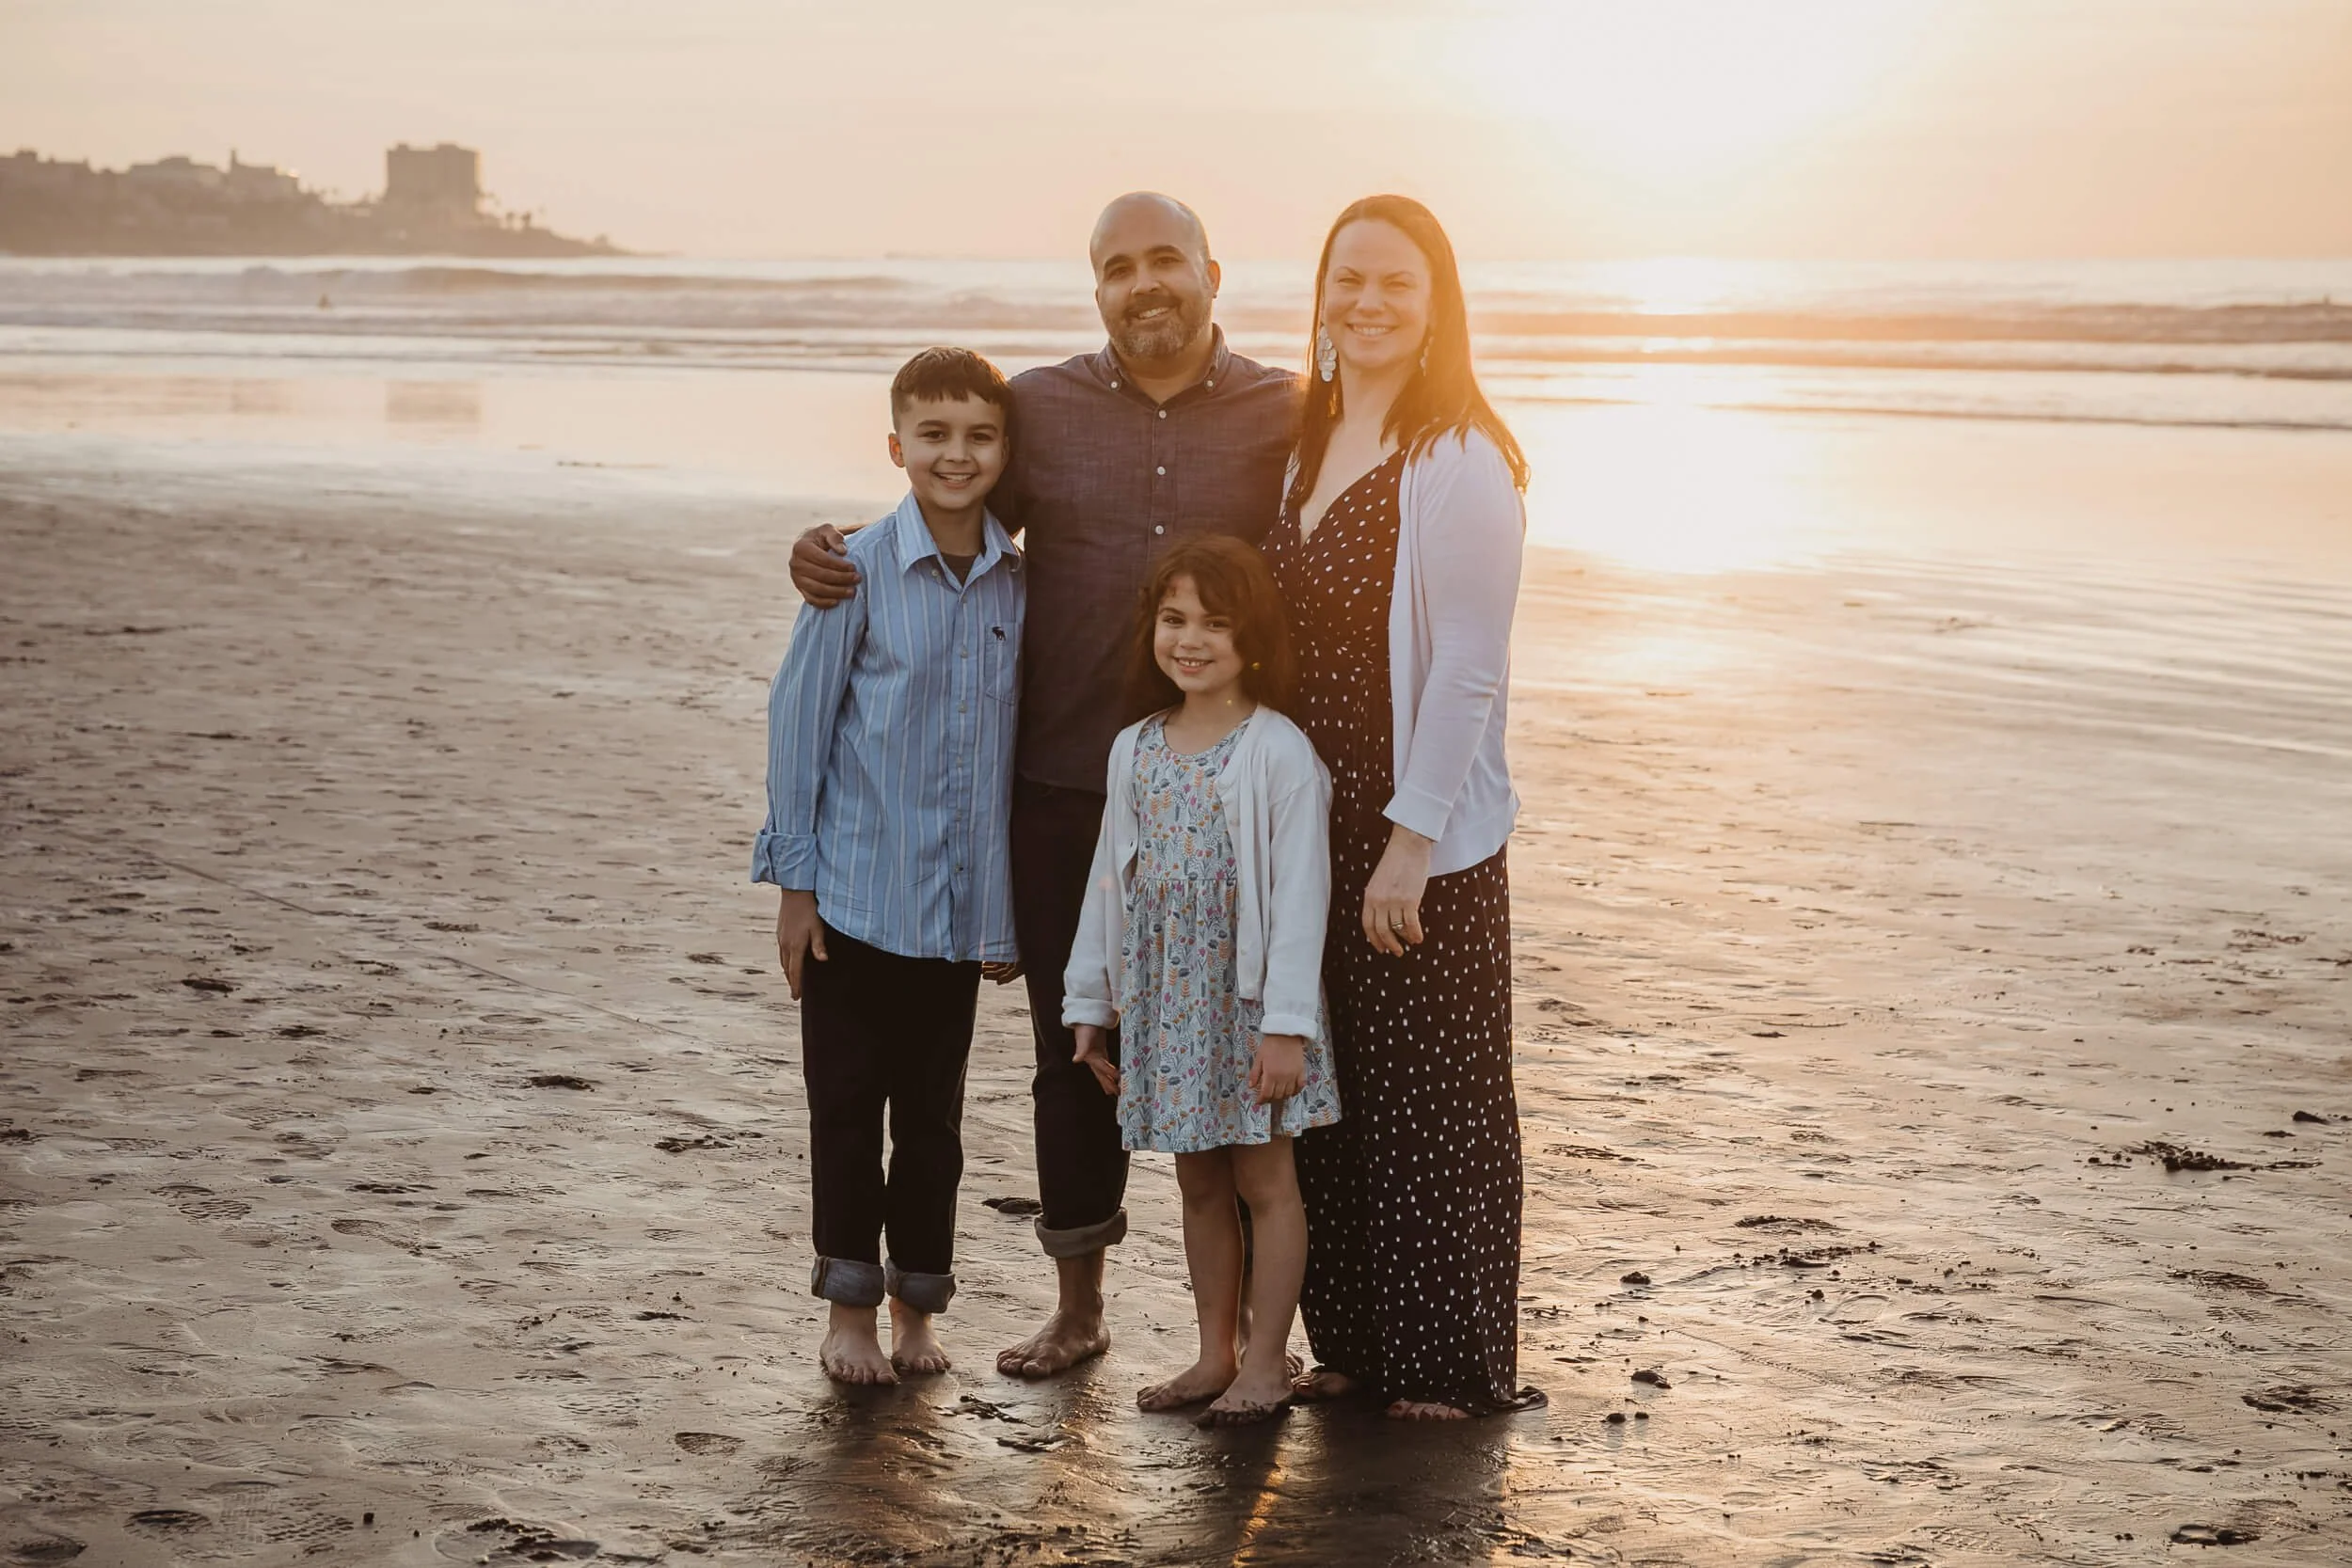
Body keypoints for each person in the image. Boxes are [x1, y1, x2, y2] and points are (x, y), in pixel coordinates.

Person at [790, 195, 1299, 1379]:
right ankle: (1080, 1306)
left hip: (1228, 795)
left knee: (1248, 1056)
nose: (1144, 282)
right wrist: (829, 550)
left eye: (1165, 258)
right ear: (1097, 290)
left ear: (1213, 273)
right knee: (1075, 1054)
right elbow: (943, 509)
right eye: (1117, 267)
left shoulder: (1286, 409)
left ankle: (1256, 1334)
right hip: (1062, 792)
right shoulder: (1044, 409)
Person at [1260, 195, 1539, 1420]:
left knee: (1435, 1096)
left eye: (1397, 285)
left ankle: (1447, 1365)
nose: (1367, 303)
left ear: (1438, 309)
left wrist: (1409, 843)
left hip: (1413, 829)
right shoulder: (1299, 439)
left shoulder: (1461, 455)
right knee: (1330, 1091)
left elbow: (1471, 662)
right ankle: (1361, 1340)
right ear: (1320, 294)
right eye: (1348, 279)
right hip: (1302, 814)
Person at [753, 347, 1026, 1386]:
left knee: (934, 1127)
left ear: (1004, 448)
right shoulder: (854, 568)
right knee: (843, 1112)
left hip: (953, 919)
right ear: (897, 445)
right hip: (854, 907)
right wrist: (795, 884)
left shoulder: (1018, 579)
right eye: (935, 434)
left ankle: (918, 1308)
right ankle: (848, 1316)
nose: (956, 455)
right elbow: (798, 724)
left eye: (979, 435)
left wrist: (1004, 917)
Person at [1062, 537, 1339, 1426]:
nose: (1191, 640)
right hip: (1169, 1005)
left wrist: (1287, 1023)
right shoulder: (1134, 748)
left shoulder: (1279, 752)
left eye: (1215, 624)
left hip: (1254, 1008)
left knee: (1268, 1183)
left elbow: (1303, 893)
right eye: (1174, 619)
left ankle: (1266, 1360)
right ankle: (1213, 1352)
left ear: (1251, 638)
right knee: (1197, 1186)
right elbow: (1111, 881)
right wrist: (1090, 1004)